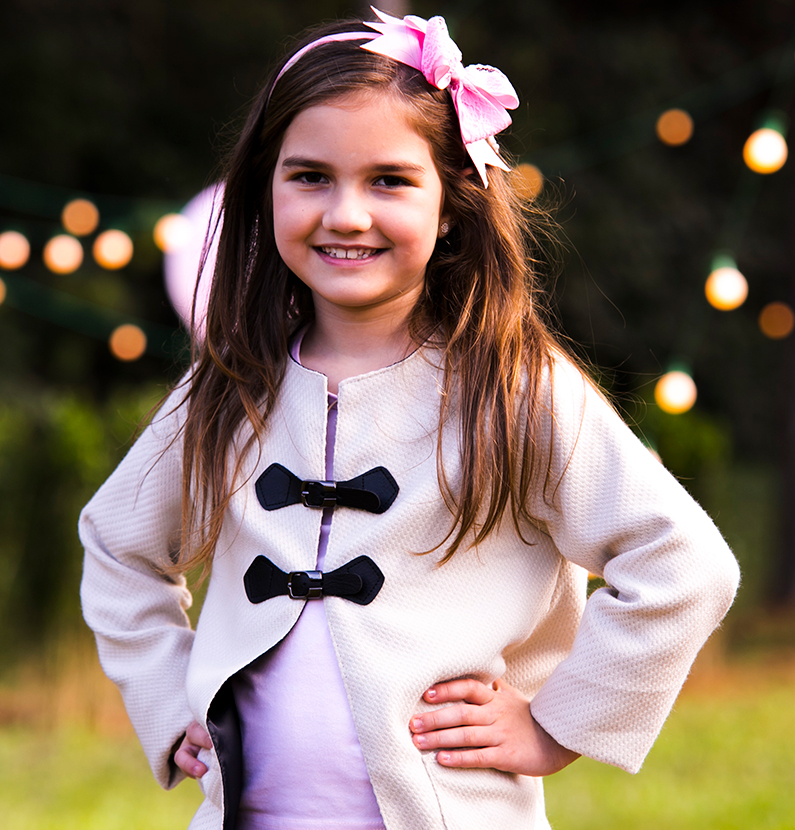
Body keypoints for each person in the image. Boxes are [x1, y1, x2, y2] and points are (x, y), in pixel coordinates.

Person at [79, 8, 740, 830]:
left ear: (452, 203)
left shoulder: (512, 387)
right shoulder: (230, 384)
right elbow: (117, 545)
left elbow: (683, 562)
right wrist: (166, 694)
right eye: (309, 176)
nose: (345, 214)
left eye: (388, 180)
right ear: (263, 190)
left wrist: (556, 725)